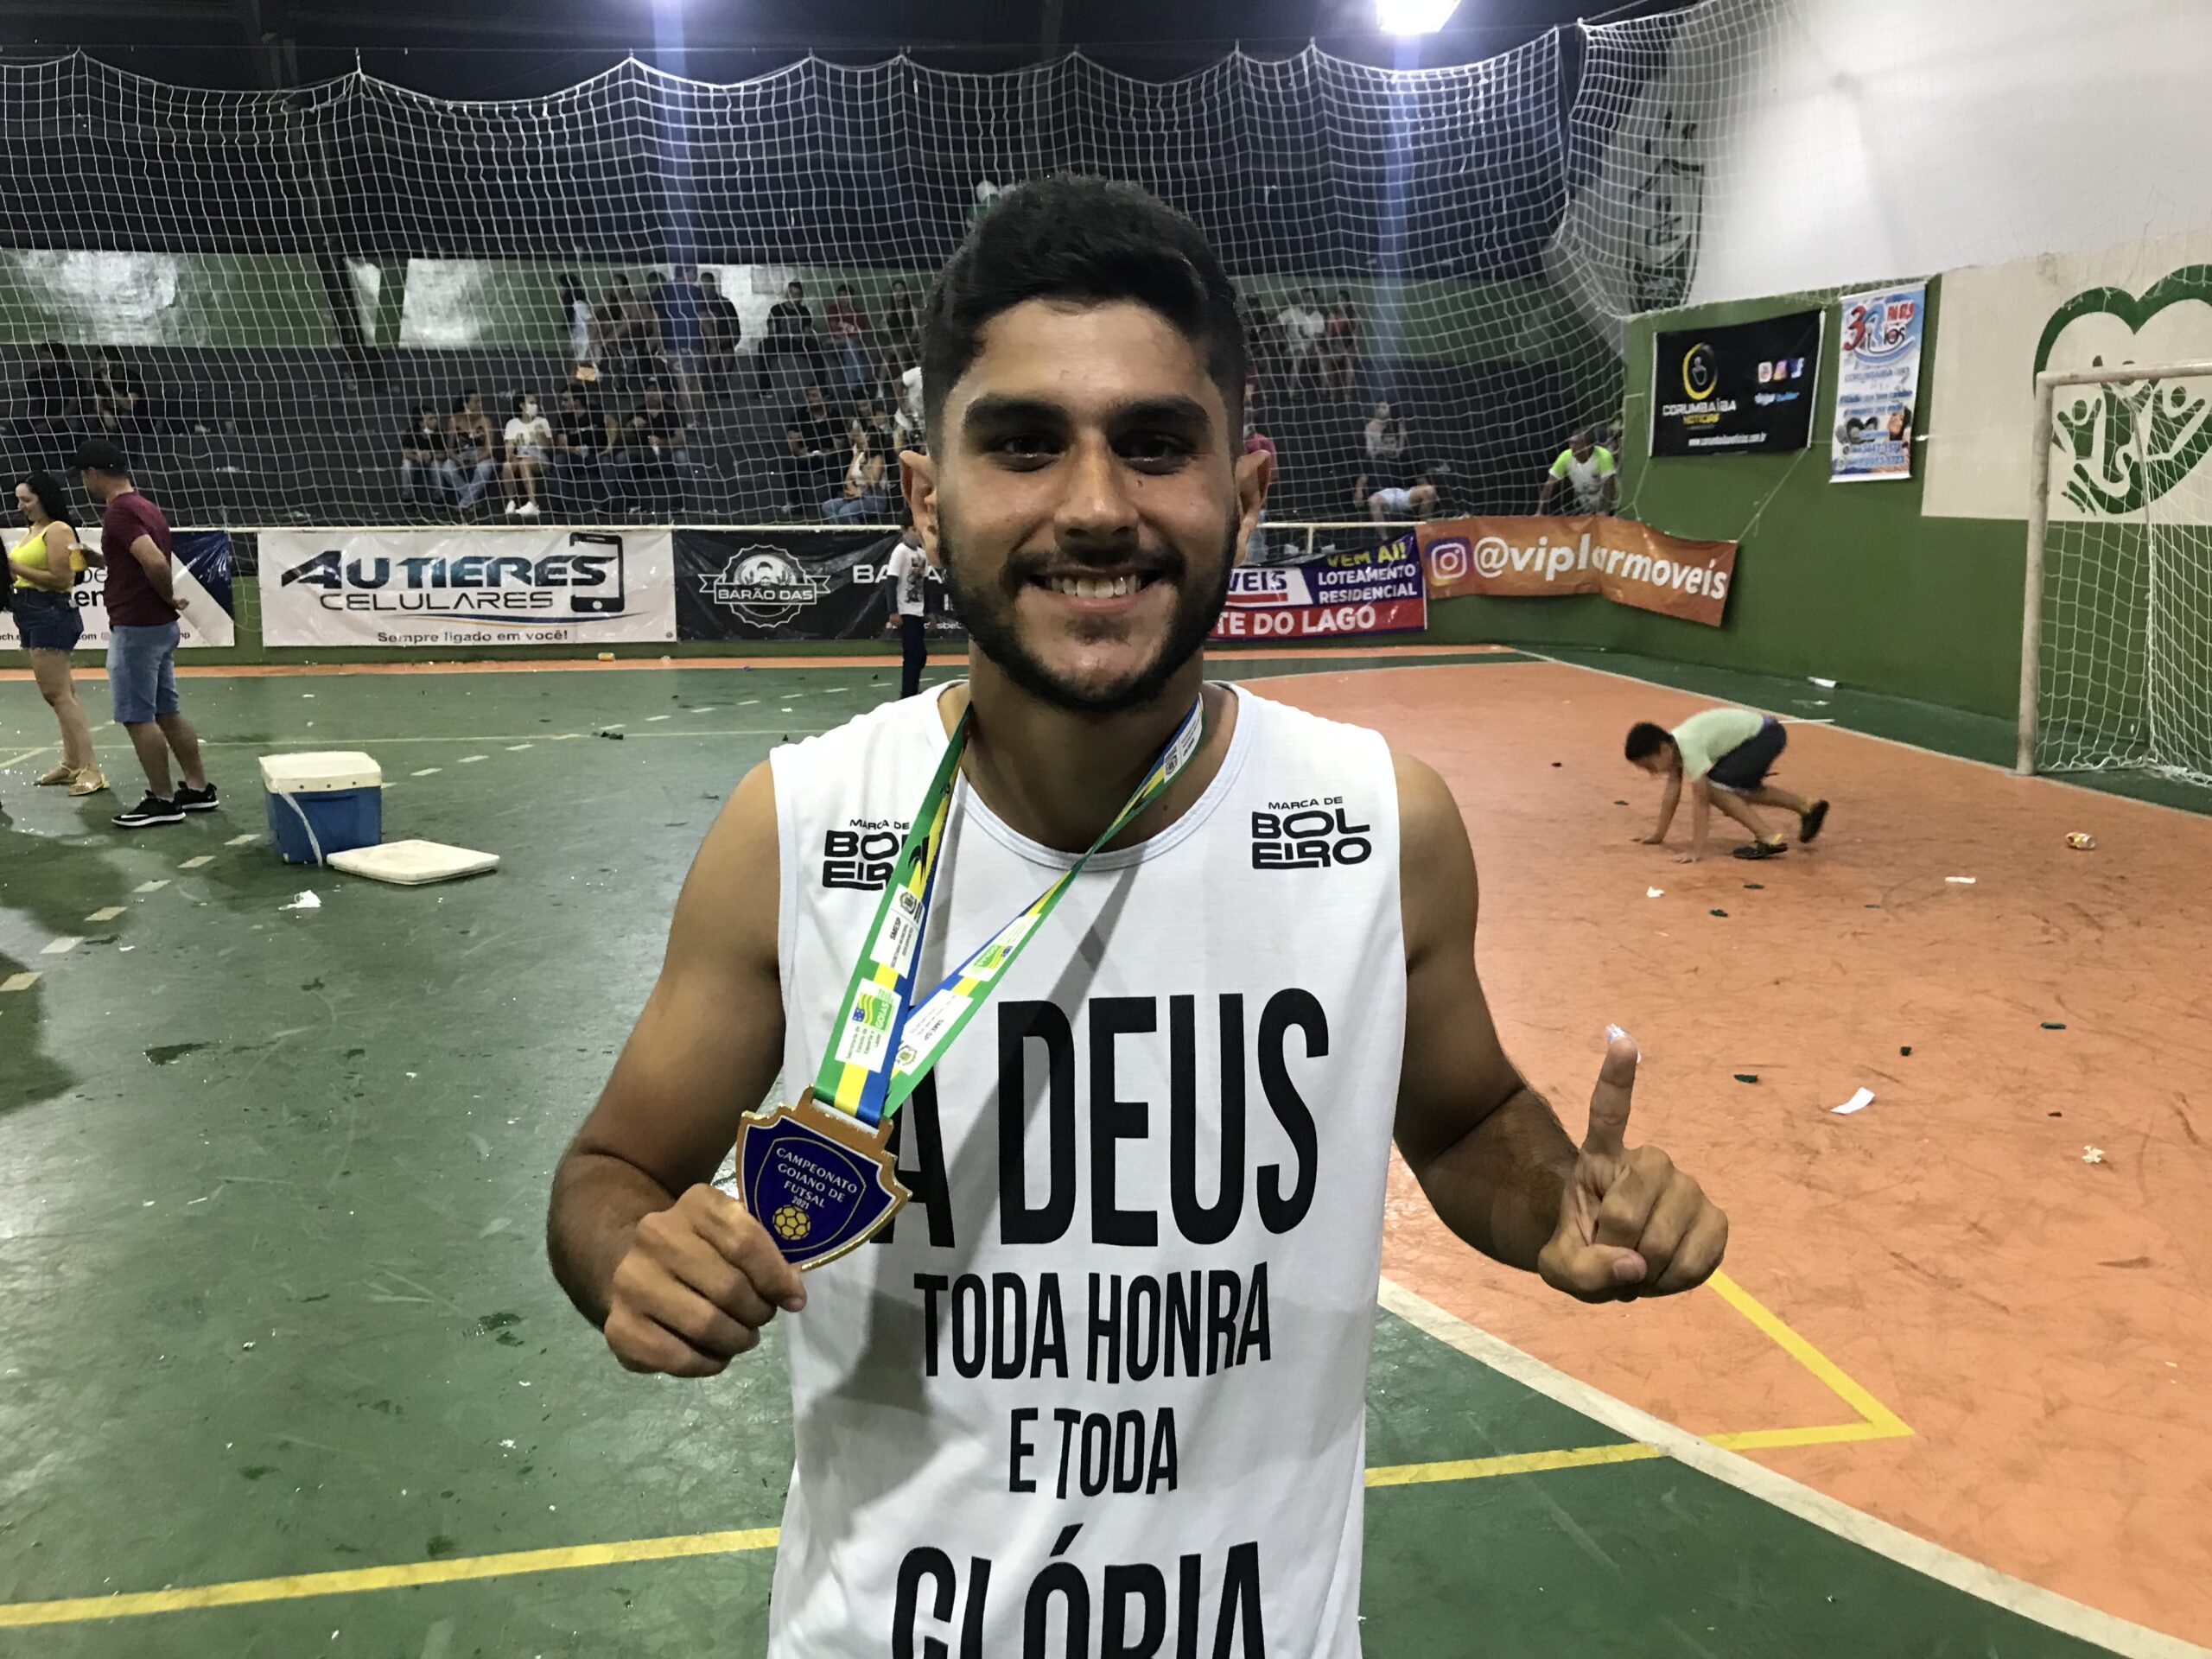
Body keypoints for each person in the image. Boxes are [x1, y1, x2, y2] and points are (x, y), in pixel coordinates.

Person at [545, 175, 1726, 1655]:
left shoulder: (1380, 827)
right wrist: (632, 1256)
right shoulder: (796, 831)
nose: (1095, 506)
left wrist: (1560, 1199)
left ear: (1246, 485)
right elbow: (610, 1171)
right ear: (929, 496)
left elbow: (1469, 1113)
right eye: (1025, 444)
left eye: (1156, 445)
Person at [72, 441, 215, 830]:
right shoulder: (145, 506)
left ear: (93, 474)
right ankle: (198, 788)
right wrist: (104, 560)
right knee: (167, 711)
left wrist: (167, 595)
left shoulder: (119, 512)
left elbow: (153, 559)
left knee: (138, 717)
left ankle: (164, 799)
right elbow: (139, 558)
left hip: (137, 626)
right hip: (157, 626)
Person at [7, 472, 105, 797]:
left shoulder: (58, 529)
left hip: (49, 611)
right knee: (63, 692)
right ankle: (71, 763)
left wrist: (11, 566)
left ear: (44, 498)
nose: (21, 506)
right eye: (19, 499)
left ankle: (91, 769)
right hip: (32, 611)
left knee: (58, 695)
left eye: (27, 500)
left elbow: (63, 578)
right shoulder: (35, 530)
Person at [1625, 707, 1829, 862]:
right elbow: (1672, 792)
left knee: (1715, 789)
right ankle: (1808, 806)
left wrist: (1696, 850)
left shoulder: (1687, 744)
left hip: (1764, 736)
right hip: (1765, 733)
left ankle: (1768, 837)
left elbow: (1701, 800)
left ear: (1663, 749)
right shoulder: (1673, 744)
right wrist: (1658, 835)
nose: (1651, 772)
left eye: (1649, 765)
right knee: (1735, 791)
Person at [607, 384, 687, 514]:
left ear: (664, 393)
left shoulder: (672, 411)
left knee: (682, 457)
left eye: (656, 390)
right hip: (643, 455)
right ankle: (632, 503)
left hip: (667, 455)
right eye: (649, 391)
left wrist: (662, 442)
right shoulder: (638, 411)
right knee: (622, 457)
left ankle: (679, 505)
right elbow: (620, 437)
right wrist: (631, 424)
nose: (652, 394)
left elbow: (681, 439)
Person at [880, 519, 928, 697]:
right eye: (913, 529)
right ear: (904, 530)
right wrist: (893, 611)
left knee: (919, 654)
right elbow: (891, 582)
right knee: (912, 653)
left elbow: (925, 584)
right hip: (905, 610)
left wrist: (929, 612)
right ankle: (908, 693)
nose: (916, 533)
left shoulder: (923, 555)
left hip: (918, 610)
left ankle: (912, 688)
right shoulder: (900, 552)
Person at [782, 384, 844, 515]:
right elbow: (791, 438)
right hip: (806, 457)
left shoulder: (835, 415)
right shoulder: (800, 414)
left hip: (828, 457)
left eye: (814, 396)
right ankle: (796, 502)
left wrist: (831, 452)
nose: (810, 399)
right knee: (790, 464)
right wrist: (799, 452)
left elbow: (841, 444)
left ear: (826, 398)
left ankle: (837, 502)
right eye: (808, 396)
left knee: (841, 463)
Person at [819, 418, 889, 523]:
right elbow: (847, 479)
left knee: (845, 512)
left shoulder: (878, 459)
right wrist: (853, 490)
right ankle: (842, 531)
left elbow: (873, 483)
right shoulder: (858, 455)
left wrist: (863, 466)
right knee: (827, 507)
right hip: (856, 495)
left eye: (866, 435)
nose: (862, 437)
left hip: (874, 498)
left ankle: (856, 535)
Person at [549, 385, 604, 515]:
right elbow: (561, 444)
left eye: (566, 400)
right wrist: (573, 449)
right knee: (559, 459)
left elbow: (611, 424)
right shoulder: (565, 418)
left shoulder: (596, 412)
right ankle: (560, 506)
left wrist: (607, 447)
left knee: (607, 462)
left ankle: (611, 505)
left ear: (577, 401)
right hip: (575, 458)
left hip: (597, 456)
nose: (562, 403)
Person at [1539, 429, 1618, 516]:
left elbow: (1609, 486)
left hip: (1609, 508)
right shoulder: (1565, 457)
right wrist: (1539, 512)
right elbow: (1550, 484)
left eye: (1576, 444)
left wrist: (1604, 512)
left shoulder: (1603, 457)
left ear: (1587, 446)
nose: (1572, 447)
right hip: (1586, 509)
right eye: (1571, 443)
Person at [446, 390, 499, 513]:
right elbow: (449, 449)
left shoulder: (485, 421)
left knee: (484, 469)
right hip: (461, 455)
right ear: (465, 405)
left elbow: (490, 449)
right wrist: (457, 459)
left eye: (480, 401)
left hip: (482, 455)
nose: (479, 405)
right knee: (446, 469)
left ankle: (464, 504)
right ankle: (473, 501)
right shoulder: (454, 421)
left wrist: (476, 460)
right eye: (476, 402)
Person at [501, 391, 550, 518]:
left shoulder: (542, 421)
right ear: (522, 405)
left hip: (539, 458)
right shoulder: (512, 424)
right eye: (531, 403)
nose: (535, 406)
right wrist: (510, 457)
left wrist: (541, 435)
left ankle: (533, 504)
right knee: (507, 465)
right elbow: (510, 446)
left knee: (524, 463)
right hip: (521, 456)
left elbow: (549, 447)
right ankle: (511, 502)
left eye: (535, 403)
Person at [397, 405, 455, 508]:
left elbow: (446, 454)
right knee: (406, 465)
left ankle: (439, 498)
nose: (435, 421)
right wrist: (417, 457)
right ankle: (408, 497)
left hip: (432, 460)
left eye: (435, 418)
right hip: (417, 461)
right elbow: (405, 452)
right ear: (421, 423)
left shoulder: (439, 433)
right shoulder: (412, 432)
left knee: (436, 466)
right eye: (431, 419)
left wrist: (432, 456)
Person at [825, 282, 869, 392]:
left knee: (851, 348)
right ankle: (861, 382)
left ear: (852, 297)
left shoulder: (859, 314)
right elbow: (835, 331)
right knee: (852, 346)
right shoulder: (833, 309)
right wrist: (847, 338)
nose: (843, 298)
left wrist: (845, 339)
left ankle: (852, 388)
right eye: (840, 295)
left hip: (848, 345)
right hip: (834, 347)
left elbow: (858, 337)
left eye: (846, 295)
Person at [1355, 467, 1438, 520]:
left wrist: (1433, 496)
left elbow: (1422, 481)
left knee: (1430, 490)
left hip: (1405, 492)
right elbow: (1362, 479)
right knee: (1373, 501)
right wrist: (1359, 492)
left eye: (1392, 442)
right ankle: (1385, 540)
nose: (1389, 445)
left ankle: (1425, 527)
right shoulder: (1374, 460)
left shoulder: (1406, 459)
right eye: (1386, 443)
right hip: (1383, 495)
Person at [558, 272, 595, 369]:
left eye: (561, 286)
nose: (559, 289)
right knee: (576, 377)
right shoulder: (570, 308)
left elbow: (594, 325)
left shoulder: (579, 306)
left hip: (586, 352)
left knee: (583, 379)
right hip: (580, 351)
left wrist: (589, 349)